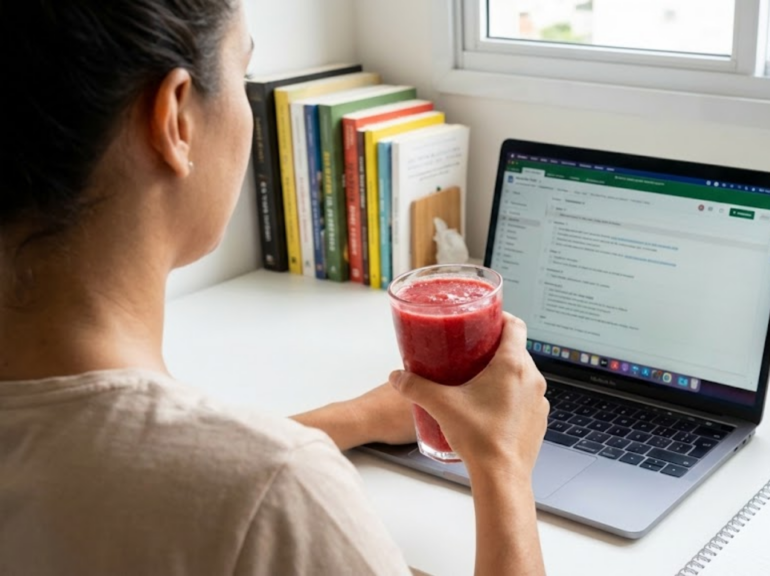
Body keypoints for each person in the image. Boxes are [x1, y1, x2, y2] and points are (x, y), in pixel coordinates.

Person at [0, 1, 549, 575]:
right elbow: (235, 484)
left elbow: (120, 461)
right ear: (175, 119)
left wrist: (354, 417)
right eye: (243, 76)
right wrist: (503, 462)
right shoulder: (279, 496)